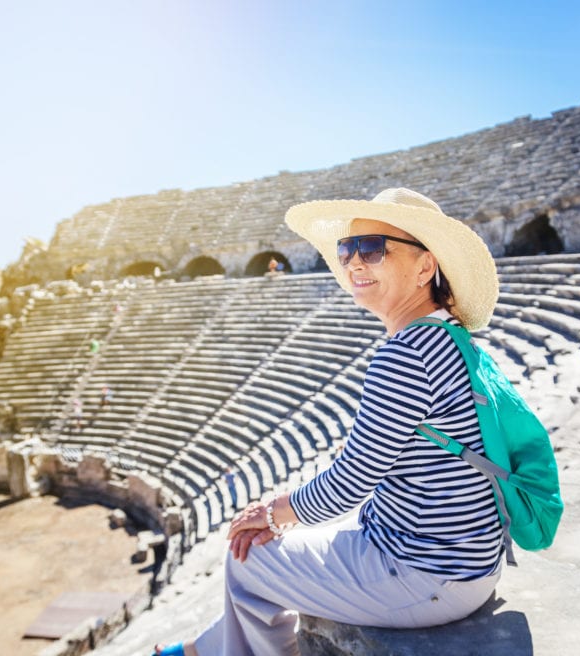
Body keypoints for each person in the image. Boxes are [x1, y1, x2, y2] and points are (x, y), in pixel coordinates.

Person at [153, 188, 503, 656]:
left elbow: (353, 479)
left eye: (374, 249)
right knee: (289, 545)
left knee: (248, 560)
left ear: (425, 267)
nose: (355, 263)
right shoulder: (448, 337)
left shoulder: (406, 355)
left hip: (429, 575)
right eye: (347, 250)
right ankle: (203, 648)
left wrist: (272, 513)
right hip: (463, 561)